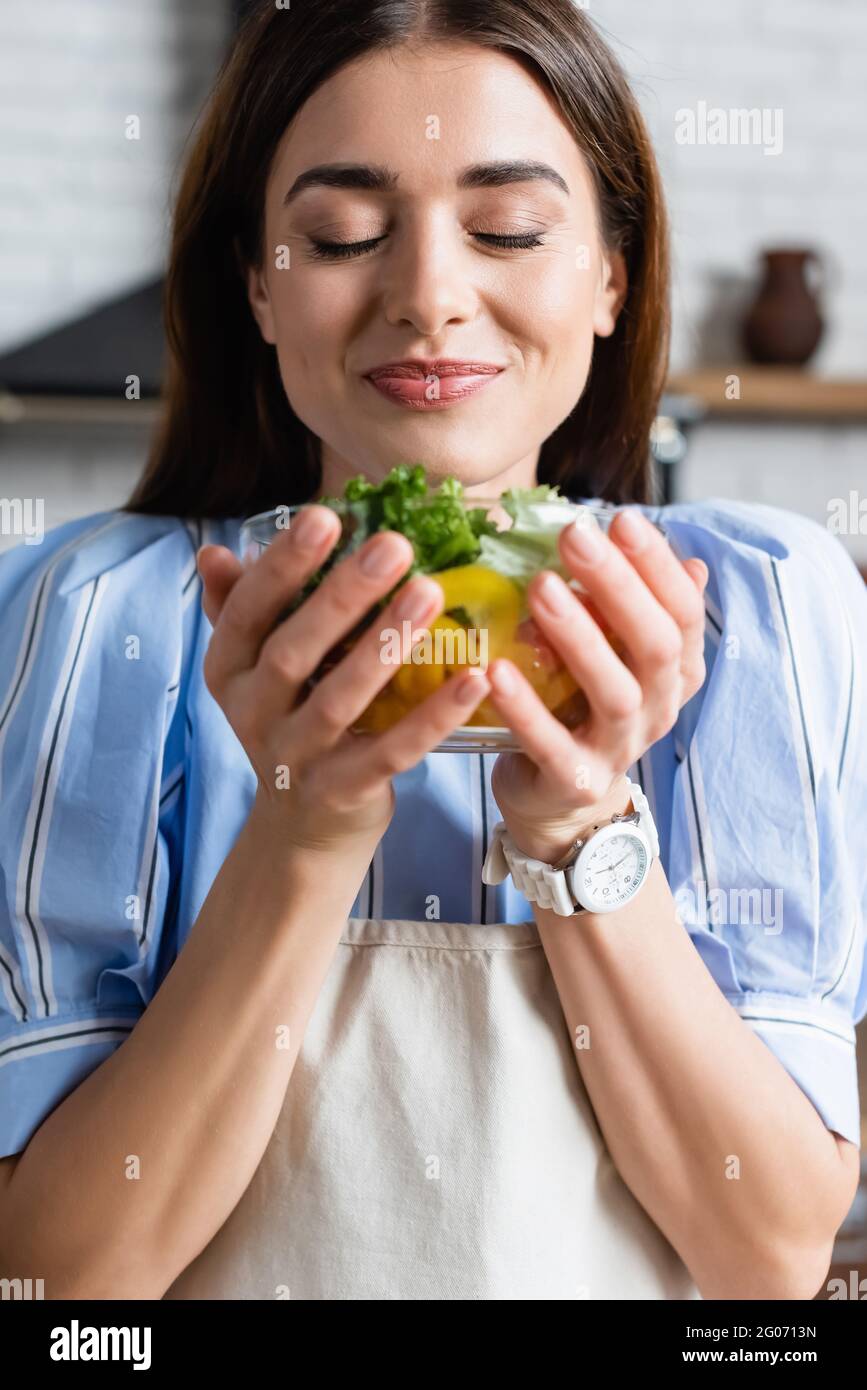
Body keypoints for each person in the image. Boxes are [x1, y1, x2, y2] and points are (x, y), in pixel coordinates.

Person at [0, 0, 864, 1301]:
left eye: (508, 228)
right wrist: (303, 832)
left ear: (614, 273)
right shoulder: (91, 619)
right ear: (257, 281)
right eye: (342, 234)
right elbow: (64, 1282)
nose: (427, 298)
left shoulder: (758, 607)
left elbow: (768, 1255)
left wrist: (583, 828)